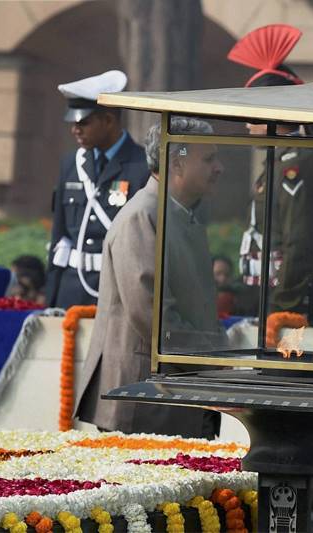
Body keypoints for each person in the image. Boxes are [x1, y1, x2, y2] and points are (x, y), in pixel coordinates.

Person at [75, 118, 222, 437]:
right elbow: (153, 315)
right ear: (177, 162)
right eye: (209, 159)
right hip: (145, 402)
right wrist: (216, 362)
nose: (219, 168)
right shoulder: (143, 216)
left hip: (169, 396)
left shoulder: (179, 213)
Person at [228, 24, 313, 319]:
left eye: (252, 112)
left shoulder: (299, 167)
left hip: (281, 304)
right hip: (262, 295)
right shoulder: (280, 163)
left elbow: (300, 244)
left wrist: (285, 308)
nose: (246, 123)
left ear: (274, 112)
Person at [46, 70, 150, 309]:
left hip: (118, 288)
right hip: (71, 287)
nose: (75, 129)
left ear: (109, 121)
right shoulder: (71, 164)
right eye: (73, 122)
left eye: (83, 122)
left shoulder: (143, 166)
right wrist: (51, 296)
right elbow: (59, 234)